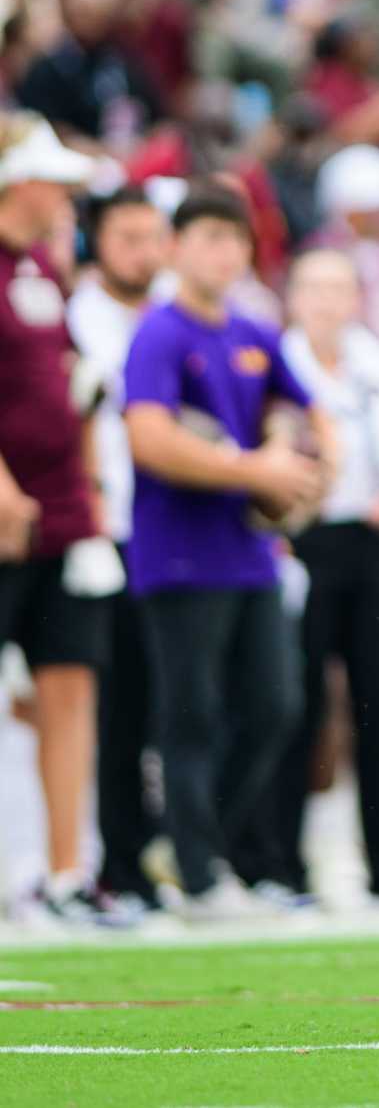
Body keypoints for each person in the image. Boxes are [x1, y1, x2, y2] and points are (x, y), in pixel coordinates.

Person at [122, 185, 331, 919]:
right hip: (178, 551)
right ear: (176, 247)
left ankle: (191, 845)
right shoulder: (160, 332)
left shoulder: (254, 332)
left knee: (277, 705)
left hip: (249, 551)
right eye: (208, 235)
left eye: (235, 238)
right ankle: (200, 873)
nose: (224, 251)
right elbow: (148, 438)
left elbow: (305, 412)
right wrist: (255, 468)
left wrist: (294, 460)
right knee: (192, 715)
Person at [263, 248, 379, 903]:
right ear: (294, 297)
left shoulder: (377, 366)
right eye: (314, 288)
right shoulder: (281, 365)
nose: (328, 302)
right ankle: (281, 864)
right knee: (296, 706)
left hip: (369, 540)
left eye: (339, 289)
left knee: (378, 707)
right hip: (303, 544)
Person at [0, 112, 120, 923]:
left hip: (62, 514)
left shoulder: (44, 269)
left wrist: (92, 488)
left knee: (71, 682)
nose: (66, 195)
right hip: (8, 513)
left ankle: (68, 872)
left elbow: (73, 389)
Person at [65, 184, 171, 909]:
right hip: (109, 526)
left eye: (150, 235)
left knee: (191, 699)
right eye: (126, 235)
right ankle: (119, 861)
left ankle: (182, 850)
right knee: (122, 702)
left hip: (183, 525)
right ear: (98, 240)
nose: (141, 250)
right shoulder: (76, 316)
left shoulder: (179, 310)